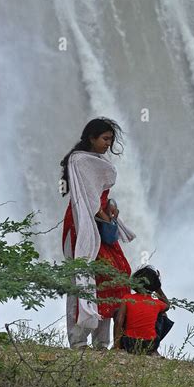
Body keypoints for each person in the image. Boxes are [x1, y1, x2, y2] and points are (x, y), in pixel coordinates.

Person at [61, 118, 136, 350]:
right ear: (91, 138)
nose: (108, 143)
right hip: (82, 226)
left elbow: (99, 197)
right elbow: (88, 200)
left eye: (111, 140)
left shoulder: (94, 160)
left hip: (99, 223)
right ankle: (79, 341)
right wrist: (106, 218)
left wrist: (110, 208)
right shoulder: (80, 160)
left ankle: (102, 343)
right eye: (105, 138)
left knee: (113, 276)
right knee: (83, 279)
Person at [114, 266, 174, 356]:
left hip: (129, 344)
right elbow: (167, 305)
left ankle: (119, 347)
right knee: (163, 315)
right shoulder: (157, 303)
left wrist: (117, 347)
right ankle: (154, 351)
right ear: (154, 286)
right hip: (150, 345)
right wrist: (158, 288)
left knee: (117, 313)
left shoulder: (127, 299)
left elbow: (119, 321)